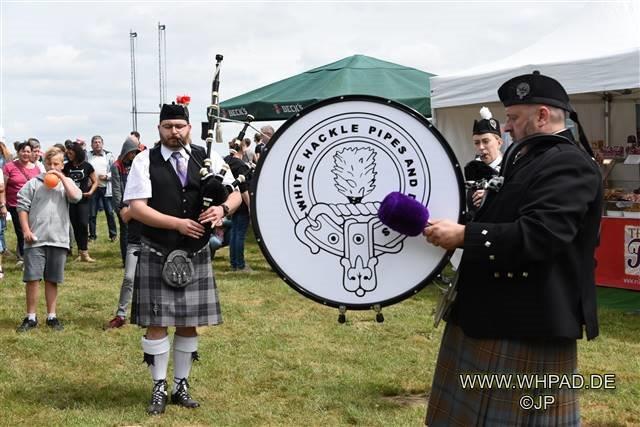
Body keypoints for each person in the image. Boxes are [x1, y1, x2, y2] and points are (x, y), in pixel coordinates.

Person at [423, 71, 602, 426]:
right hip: (495, 314)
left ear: (542, 115)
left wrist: (464, 236)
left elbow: (541, 235)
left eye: (513, 117)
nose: (505, 127)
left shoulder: (569, 163)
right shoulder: (528, 159)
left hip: (525, 322)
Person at [124, 103, 241, 415]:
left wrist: (222, 209)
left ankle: (181, 385)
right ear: (159, 129)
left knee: (189, 324)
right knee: (157, 323)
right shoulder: (144, 160)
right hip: (157, 249)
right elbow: (136, 208)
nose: (174, 132)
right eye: (168, 127)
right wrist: (176, 223)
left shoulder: (208, 157)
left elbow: (235, 193)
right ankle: (159, 386)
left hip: (195, 252)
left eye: (179, 126)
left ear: (189, 128)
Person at [15, 147, 82, 332]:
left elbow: (76, 197)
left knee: (52, 279)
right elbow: (22, 207)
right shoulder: (33, 183)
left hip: (58, 239)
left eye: (56, 164)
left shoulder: (66, 183)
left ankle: (52, 316)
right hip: (35, 239)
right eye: (49, 164)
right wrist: (26, 230)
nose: (52, 167)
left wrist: (62, 178)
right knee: (32, 279)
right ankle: (31, 317)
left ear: (62, 165)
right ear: (44, 164)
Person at [105, 136, 143, 329]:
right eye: (131, 152)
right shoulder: (118, 167)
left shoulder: (142, 167)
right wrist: (122, 210)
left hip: (149, 234)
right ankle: (121, 314)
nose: (133, 155)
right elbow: (117, 190)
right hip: (129, 218)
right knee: (129, 277)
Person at [3, 141, 41, 264]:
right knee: (21, 231)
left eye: (28, 151)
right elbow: (3, 186)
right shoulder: (9, 167)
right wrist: (3, 204)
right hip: (15, 205)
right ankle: (23, 257)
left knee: (33, 230)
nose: (25, 153)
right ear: (18, 152)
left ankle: (32, 255)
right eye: (23, 151)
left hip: (33, 205)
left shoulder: (36, 168)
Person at [464, 107, 504, 217]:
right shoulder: (472, 168)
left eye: (486, 141)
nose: (481, 147)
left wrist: (490, 198)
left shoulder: (511, 168)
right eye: (477, 143)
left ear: (499, 143)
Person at [63, 141, 98, 262]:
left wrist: (91, 191)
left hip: (84, 199)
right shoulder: (66, 167)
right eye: (67, 153)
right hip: (71, 200)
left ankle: (85, 252)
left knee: (83, 224)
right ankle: (80, 252)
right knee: (75, 225)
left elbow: (95, 181)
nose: (69, 155)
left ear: (77, 152)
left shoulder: (87, 166)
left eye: (71, 153)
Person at [225, 139, 252, 271]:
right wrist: (250, 206)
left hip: (230, 201)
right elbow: (243, 188)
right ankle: (240, 264)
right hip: (241, 202)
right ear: (243, 148)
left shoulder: (226, 160)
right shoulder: (240, 165)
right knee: (239, 233)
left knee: (234, 232)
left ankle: (234, 263)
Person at [87, 135, 118, 242]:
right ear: (91, 145)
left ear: (102, 144)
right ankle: (92, 236)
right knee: (92, 213)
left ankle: (113, 235)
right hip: (93, 188)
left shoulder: (109, 155)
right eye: (95, 142)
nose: (97, 144)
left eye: (99, 142)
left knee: (109, 212)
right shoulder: (87, 155)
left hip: (106, 188)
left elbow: (115, 170)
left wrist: (107, 176)